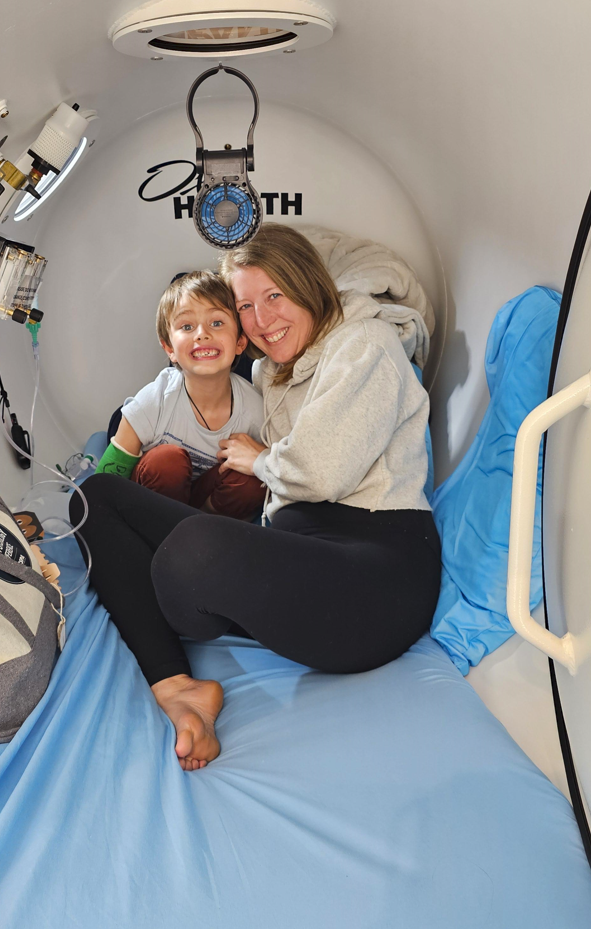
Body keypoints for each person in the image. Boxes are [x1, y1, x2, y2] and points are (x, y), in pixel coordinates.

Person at [70, 224, 441, 771]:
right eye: (246, 306)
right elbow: (195, 369)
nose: (262, 320)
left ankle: (180, 585)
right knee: (95, 497)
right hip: (299, 562)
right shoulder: (270, 368)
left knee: (194, 554)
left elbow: (322, 472)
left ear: (310, 284)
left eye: (275, 296)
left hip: (376, 578)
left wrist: (257, 460)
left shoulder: (366, 346)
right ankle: (177, 687)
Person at [94, 270, 265, 519]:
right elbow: (105, 484)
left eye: (216, 323)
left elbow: (273, 467)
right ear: (169, 348)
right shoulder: (155, 400)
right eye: (187, 326)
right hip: (152, 505)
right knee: (167, 461)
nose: (202, 334)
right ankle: (166, 530)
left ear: (240, 341)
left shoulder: (254, 410)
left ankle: (196, 528)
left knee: (252, 477)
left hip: (205, 512)